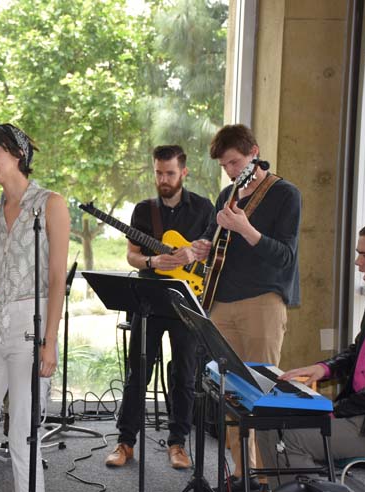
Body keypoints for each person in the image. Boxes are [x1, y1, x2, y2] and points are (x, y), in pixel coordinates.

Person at [192, 124, 301, 490]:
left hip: (263, 302)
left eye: (235, 162)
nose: (231, 172)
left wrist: (246, 228)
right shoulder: (228, 193)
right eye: (225, 166)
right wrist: (203, 245)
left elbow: (286, 257)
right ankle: (242, 475)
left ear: (254, 152)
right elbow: (214, 239)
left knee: (263, 391)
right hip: (221, 302)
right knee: (232, 395)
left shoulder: (286, 194)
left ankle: (268, 477)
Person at [257, 219, 365, 488]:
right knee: (268, 424)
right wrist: (323, 369)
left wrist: (337, 410)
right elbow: (357, 351)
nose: (358, 262)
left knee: (288, 438)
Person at [0, 123, 69, 492]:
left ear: (17, 154)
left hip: (31, 321)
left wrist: (50, 339)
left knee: (23, 438)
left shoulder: (50, 204)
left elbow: (58, 279)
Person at [105, 145, 214, 469]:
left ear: (184, 172)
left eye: (169, 173)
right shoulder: (143, 209)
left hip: (187, 300)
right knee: (137, 373)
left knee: (185, 375)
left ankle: (178, 444)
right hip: (149, 299)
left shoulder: (204, 208)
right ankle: (126, 442)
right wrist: (153, 260)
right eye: (158, 172)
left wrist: (194, 254)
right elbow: (132, 255)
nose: (163, 179)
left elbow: (214, 252)